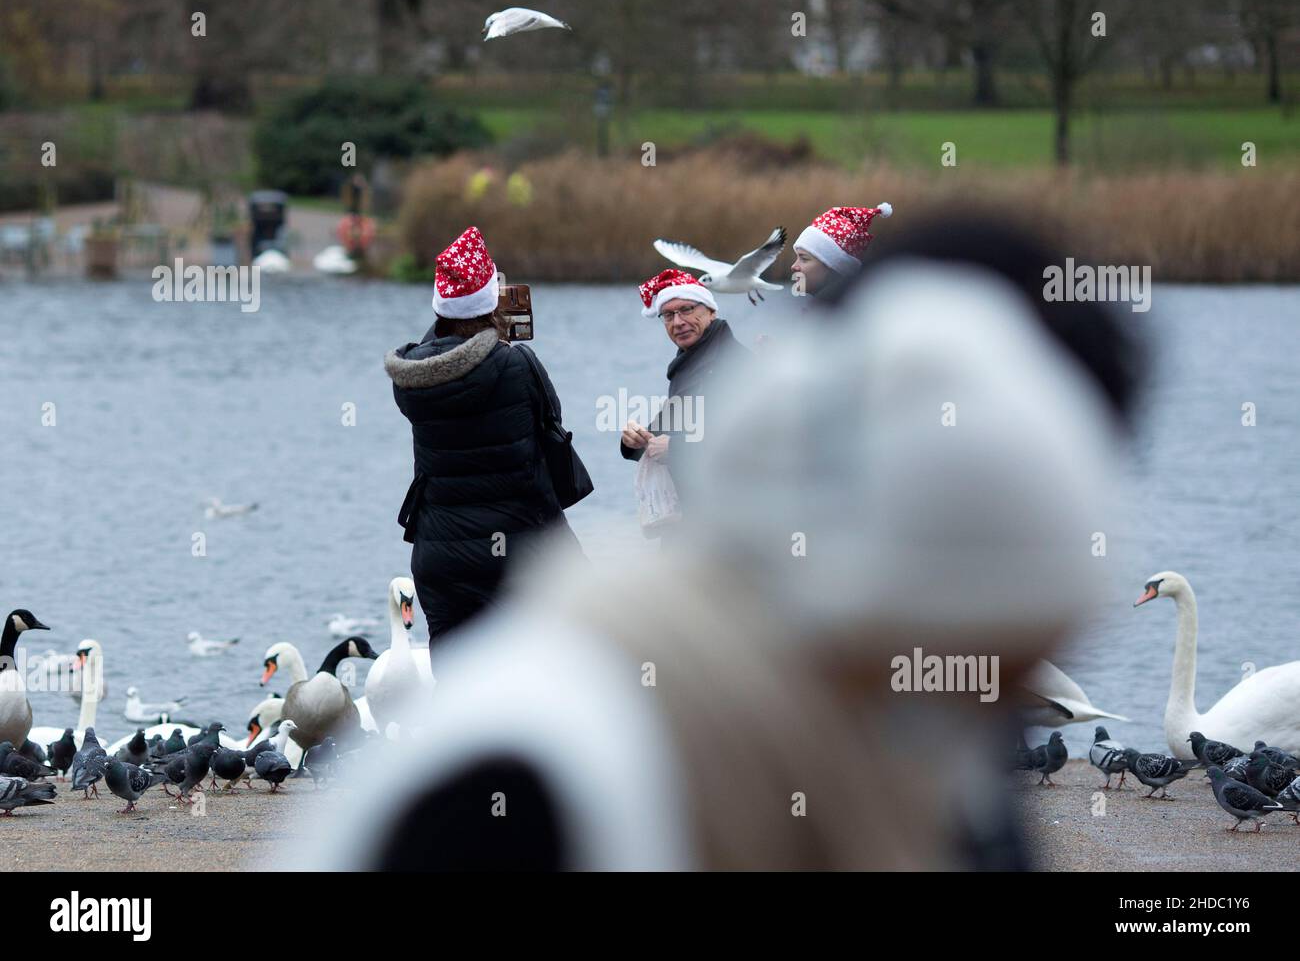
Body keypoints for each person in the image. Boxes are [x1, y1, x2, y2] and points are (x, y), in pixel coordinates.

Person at [299, 217, 1141, 872]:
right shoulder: (933, 776)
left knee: (465, 676)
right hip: (517, 549)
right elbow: (544, 445)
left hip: (444, 552)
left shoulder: (557, 684)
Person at [384, 226, 581, 648]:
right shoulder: (517, 365)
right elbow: (552, 423)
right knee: (539, 670)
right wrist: (499, 340)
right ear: (490, 302)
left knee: (458, 686)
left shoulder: (410, 379)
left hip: (441, 553)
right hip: (517, 551)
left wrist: (461, 323)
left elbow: (441, 357)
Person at [618, 268, 748, 518]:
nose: (678, 322)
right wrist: (633, 440)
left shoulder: (735, 363)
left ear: (711, 311)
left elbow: (753, 444)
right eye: (668, 315)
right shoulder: (688, 364)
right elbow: (665, 432)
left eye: (687, 309)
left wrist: (677, 449)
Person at [791, 203, 891, 300]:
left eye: (804, 258)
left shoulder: (829, 314)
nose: (794, 266)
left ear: (834, 267)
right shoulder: (826, 309)